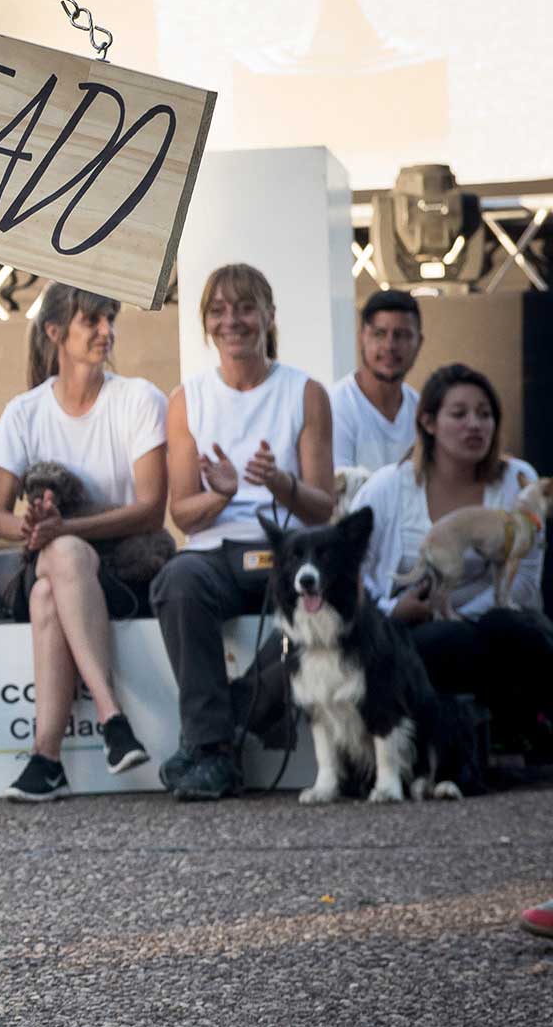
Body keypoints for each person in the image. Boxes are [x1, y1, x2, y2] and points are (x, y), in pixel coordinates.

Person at [152, 264, 336, 801]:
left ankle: (221, 723)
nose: (232, 320)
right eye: (218, 310)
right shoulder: (187, 399)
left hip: (291, 548)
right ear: (206, 324)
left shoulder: (305, 393)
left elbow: (323, 507)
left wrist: (280, 483)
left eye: (245, 307)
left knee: (329, 609)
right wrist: (224, 494)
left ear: (269, 317)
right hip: (217, 549)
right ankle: (213, 753)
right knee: (177, 582)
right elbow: (183, 514)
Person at [0, 283, 167, 802]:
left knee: (51, 582)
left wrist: (64, 529)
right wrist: (30, 527)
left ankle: (47, 758)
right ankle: (112, 721)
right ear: (55, 333)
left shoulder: (137, 398)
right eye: (93, 321)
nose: (107, 331)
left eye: (110, 319)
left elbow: (152, 510)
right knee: (54, 568)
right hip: (55, 561)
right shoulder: (24, 411)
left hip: (128, 567)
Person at [354, 363, 552, 745]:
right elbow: (348, 569)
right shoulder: (387, 489)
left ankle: (517, 725)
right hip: (411, 628)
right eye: (459, 415)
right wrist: (394, 610)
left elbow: (525, 583)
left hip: (491, 625)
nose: (475, 425)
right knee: (442, 640)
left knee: (515, 629)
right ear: (428, 422)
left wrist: (466, 618)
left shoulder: (520, 480)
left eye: (485, 414)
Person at [331, 289, 423, 471]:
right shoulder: (335, 407)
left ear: (419, 342)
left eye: (402, 335)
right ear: (361, 338)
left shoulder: (422, 410)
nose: (390, 346)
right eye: (379, 334)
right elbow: (340, 490)